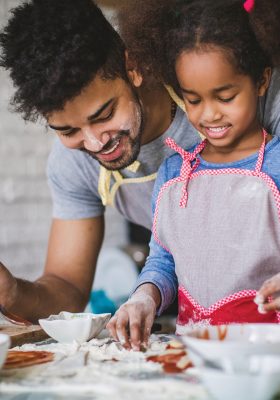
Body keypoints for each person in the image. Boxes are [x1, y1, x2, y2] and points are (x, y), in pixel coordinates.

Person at [108, 0, 280, 349]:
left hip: (266, 354)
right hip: (192, 352)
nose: (210, 114)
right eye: (194, 100)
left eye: (226, 96)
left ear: (261, 81)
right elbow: (163, 259)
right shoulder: (174, 173)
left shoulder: (277, 164)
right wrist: (145, 296)